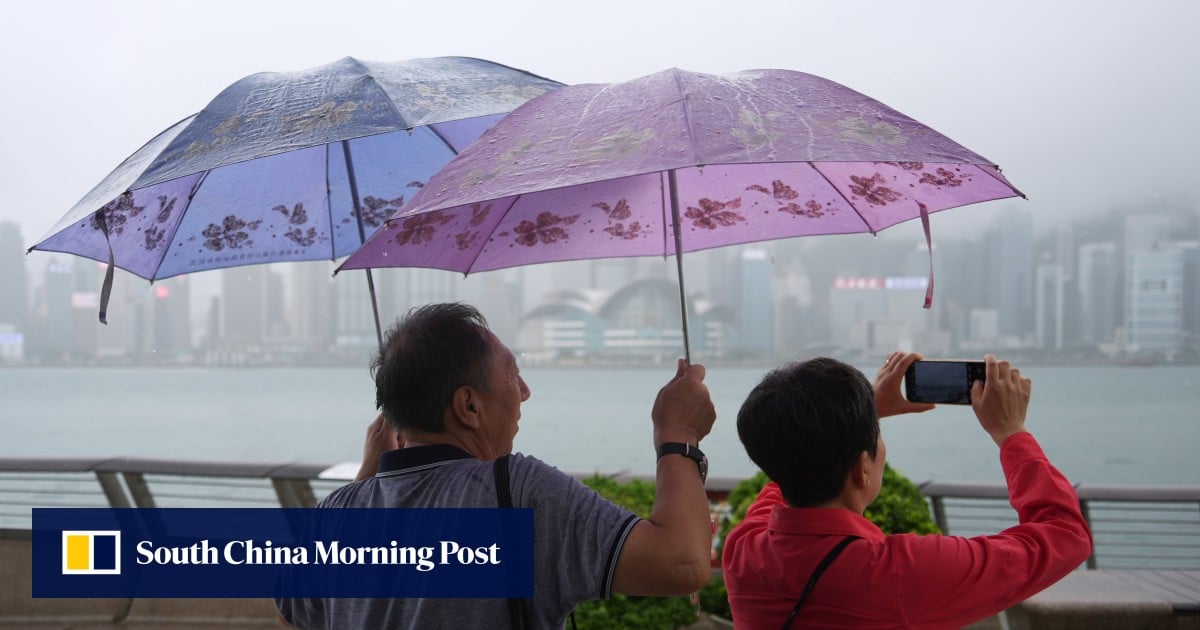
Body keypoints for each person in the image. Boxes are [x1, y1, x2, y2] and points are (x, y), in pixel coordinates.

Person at [276, 302, 717, 629]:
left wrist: (368, 477)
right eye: (511, 374)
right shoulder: (520, 494)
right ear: (468, 405)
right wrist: (678, 434)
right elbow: (681, 564)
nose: (524, 391)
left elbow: (293, 604)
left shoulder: (336, 514)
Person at [722, 352, 1093, 629]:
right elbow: (1065, 536)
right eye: (876, 440)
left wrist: (863, 416)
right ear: (861, 470)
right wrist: (1011, 432)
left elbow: (789, 463)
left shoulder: (743, 552)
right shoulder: (900, 573)